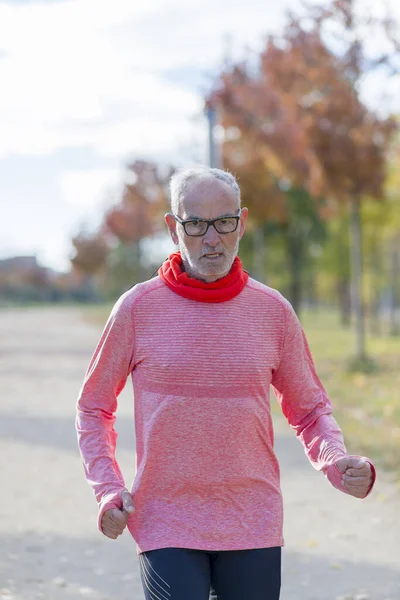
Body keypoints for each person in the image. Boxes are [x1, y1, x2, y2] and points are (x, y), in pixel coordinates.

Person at [76, 166, 376, 600]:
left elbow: (310, 411)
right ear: (172, 227)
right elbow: (93, 407)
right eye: (195, 224)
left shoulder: (273, 312)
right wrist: (107, 488)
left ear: (242, 222)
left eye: (224, 222)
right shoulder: (136, 310)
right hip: (166, 518)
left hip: (252, 518)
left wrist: (335, 461)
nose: (211, 238)